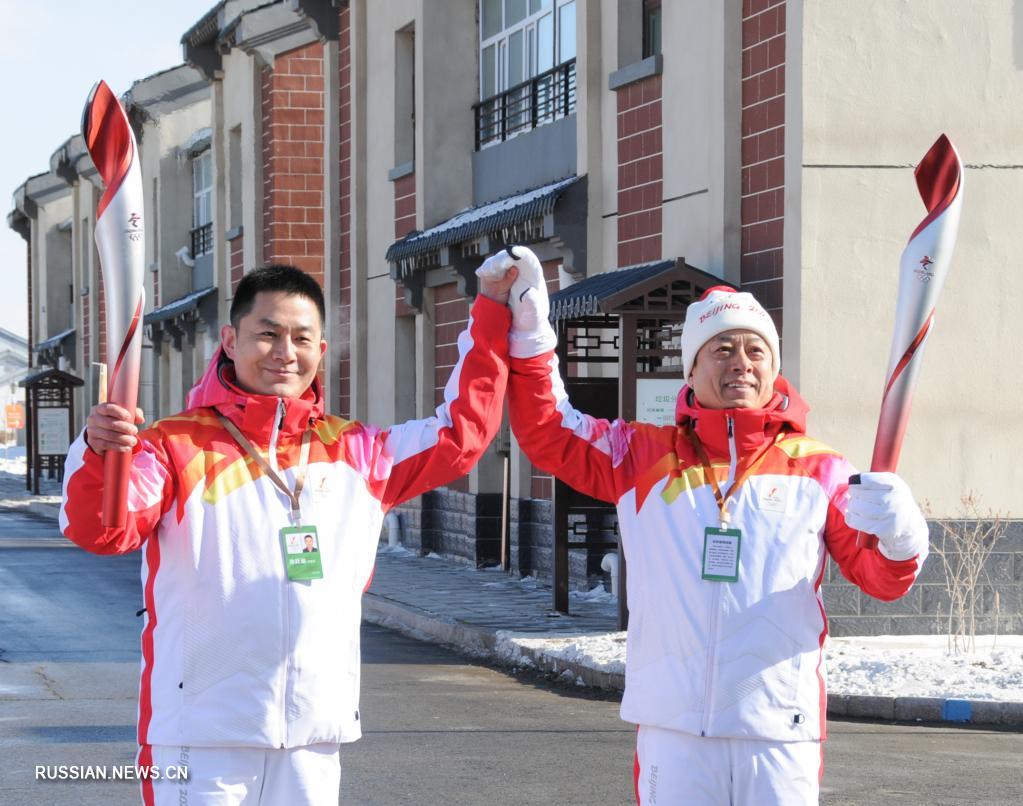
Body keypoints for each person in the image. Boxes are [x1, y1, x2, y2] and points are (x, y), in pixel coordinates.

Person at [477, 247, 929, 805]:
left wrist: (902, 535)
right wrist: (530, 329)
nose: (741, 361)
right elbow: (549, 429)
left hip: (777, 726)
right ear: (691, 369)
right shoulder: (639, 457)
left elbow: (881, 579)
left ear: (774, 367)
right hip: (674, 725)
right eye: (722, 349)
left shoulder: (822, 469)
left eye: (756, 350)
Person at [60, 263, 516, 805]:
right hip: (201, 737)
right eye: (268, 334)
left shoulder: (357, 452)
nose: (284, 352)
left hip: (313, 738)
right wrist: (99, 455)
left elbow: (460, 435)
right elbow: (102, 530)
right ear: (231, 340)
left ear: (321, 349)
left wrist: (491, 310)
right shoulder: (172, 446)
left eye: (301, 338)